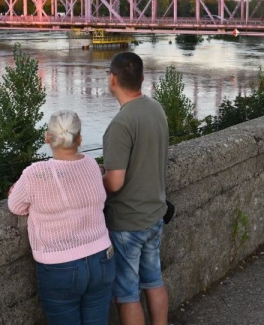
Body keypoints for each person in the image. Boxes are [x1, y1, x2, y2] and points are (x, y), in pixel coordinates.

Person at [8, 110, 115, 325]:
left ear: (48, 138)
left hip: (60, 266)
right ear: (80, 139)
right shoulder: (92, 165)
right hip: (102, 258)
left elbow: (16, 206)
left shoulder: (35, 173)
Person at [103, 52, 169, 325]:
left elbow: (115, 183)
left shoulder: (120, 124)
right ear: (142, 79)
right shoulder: (156, 108)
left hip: (128, 222)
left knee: (127, 293)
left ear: (112, 79)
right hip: (155, 213)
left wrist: (97, 179)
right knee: (154, 280)